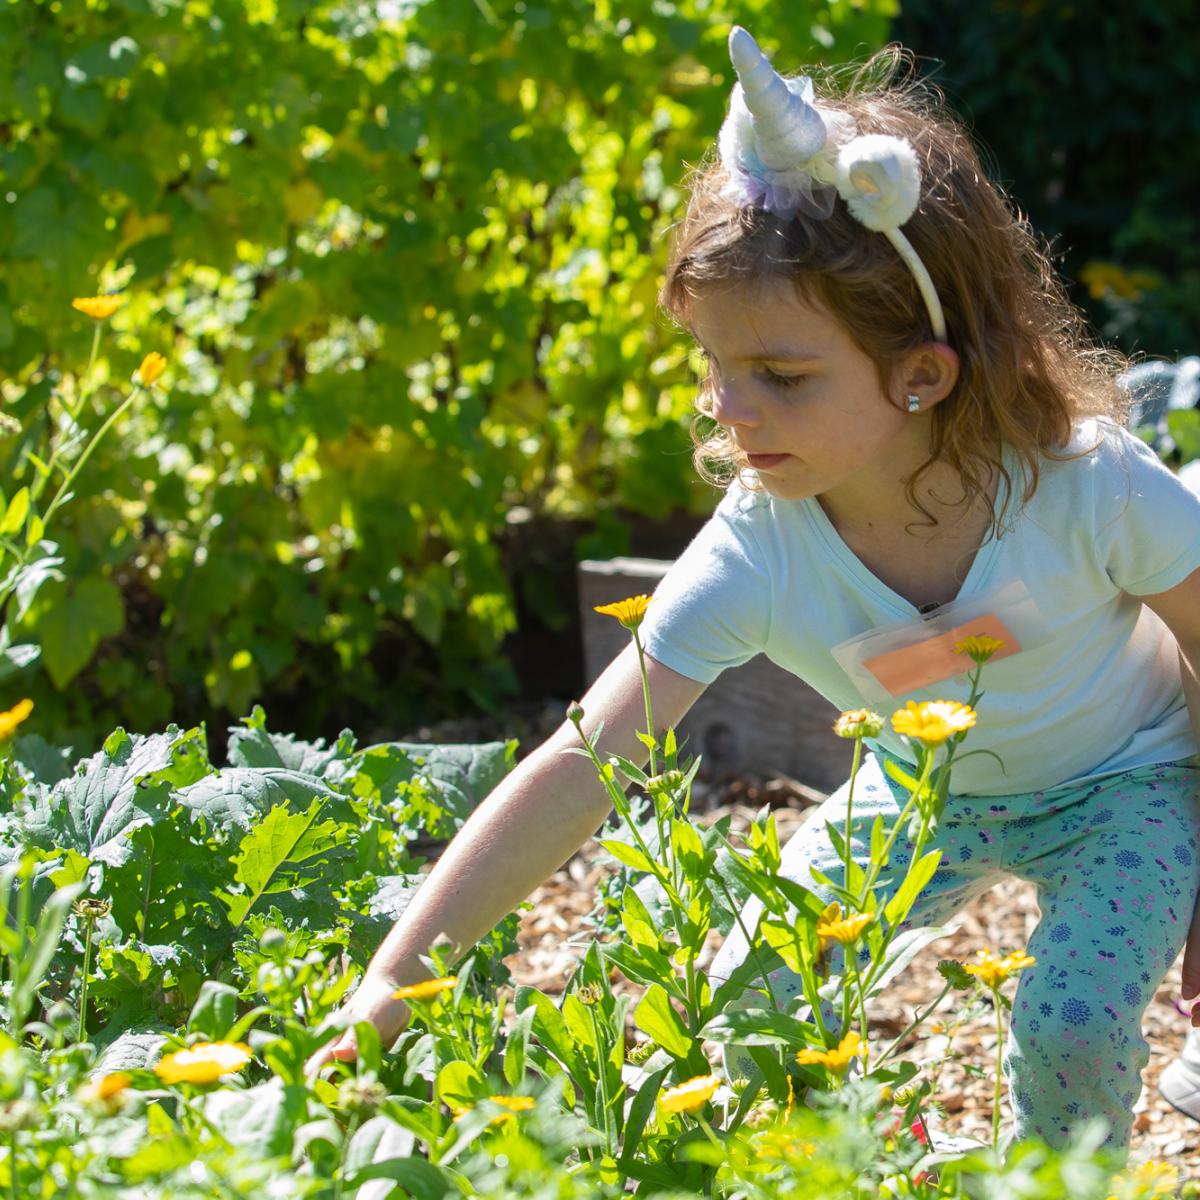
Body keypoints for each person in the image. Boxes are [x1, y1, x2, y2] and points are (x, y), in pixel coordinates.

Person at [306, 29, 1200, 1158]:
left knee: (1069, 1019)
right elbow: (585, 759)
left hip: (1129, 786)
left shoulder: (1084, 488)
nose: (729, 408)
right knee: (748, 999)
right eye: (713, 363)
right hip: (925, 797)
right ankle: (828, 1173)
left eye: (780, 375)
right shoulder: (760, 550)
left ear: (921, 373)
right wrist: (396, 977)